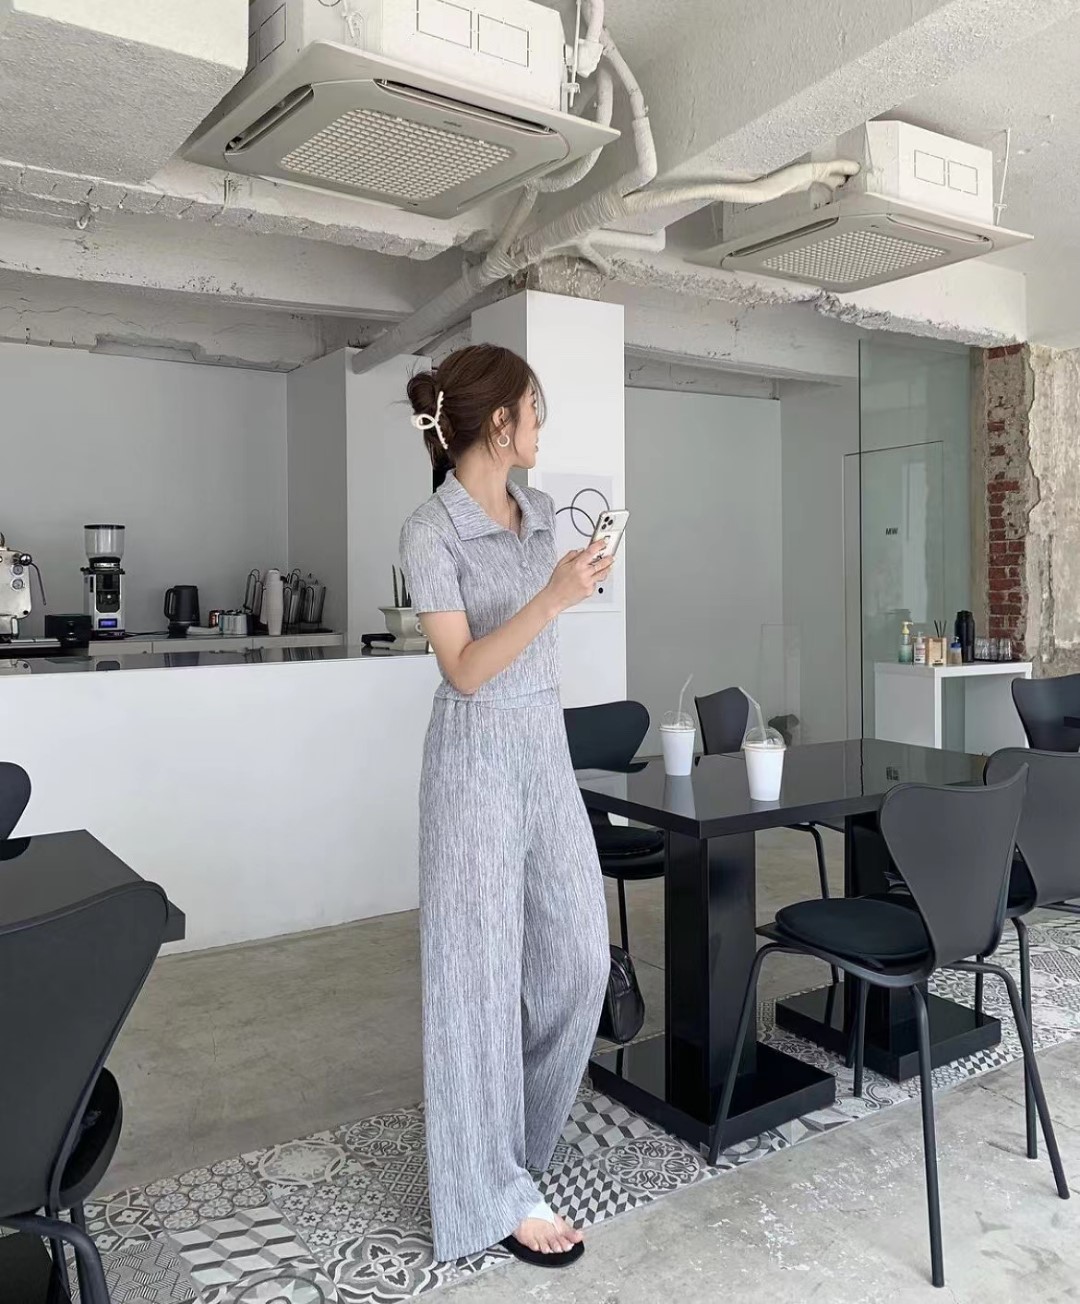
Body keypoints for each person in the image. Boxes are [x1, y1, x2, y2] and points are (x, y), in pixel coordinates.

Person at [399, 343, 613, 1269]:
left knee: (580, 962)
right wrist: (554, 598)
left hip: (543, 747)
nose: (541, 426)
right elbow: (463, 669)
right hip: (474, 756)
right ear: (499, 423)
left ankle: (506, 1157)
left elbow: (537, 635)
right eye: (534, 410)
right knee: (477, 988)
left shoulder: (540, 511)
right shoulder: (429, 531)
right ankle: (491, 1191)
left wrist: (576, 579)